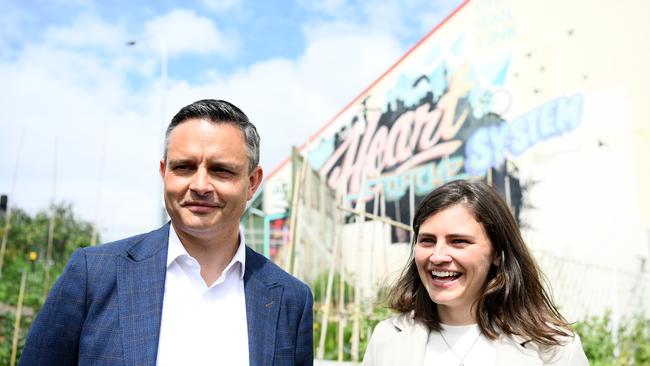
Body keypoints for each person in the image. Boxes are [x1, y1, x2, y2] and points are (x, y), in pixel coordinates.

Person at [21, 99, 313, 366]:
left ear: (252, 182)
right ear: (164, 173)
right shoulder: (94, 275)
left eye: (221, 170)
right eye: (184, 167)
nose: (200, 185)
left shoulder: (290, 300)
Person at [362, 180, 588, 366]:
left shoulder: (554, 350)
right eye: (427, 241)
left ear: (498, 253)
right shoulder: (387, 339)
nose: (438, 256)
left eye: (458, 241)